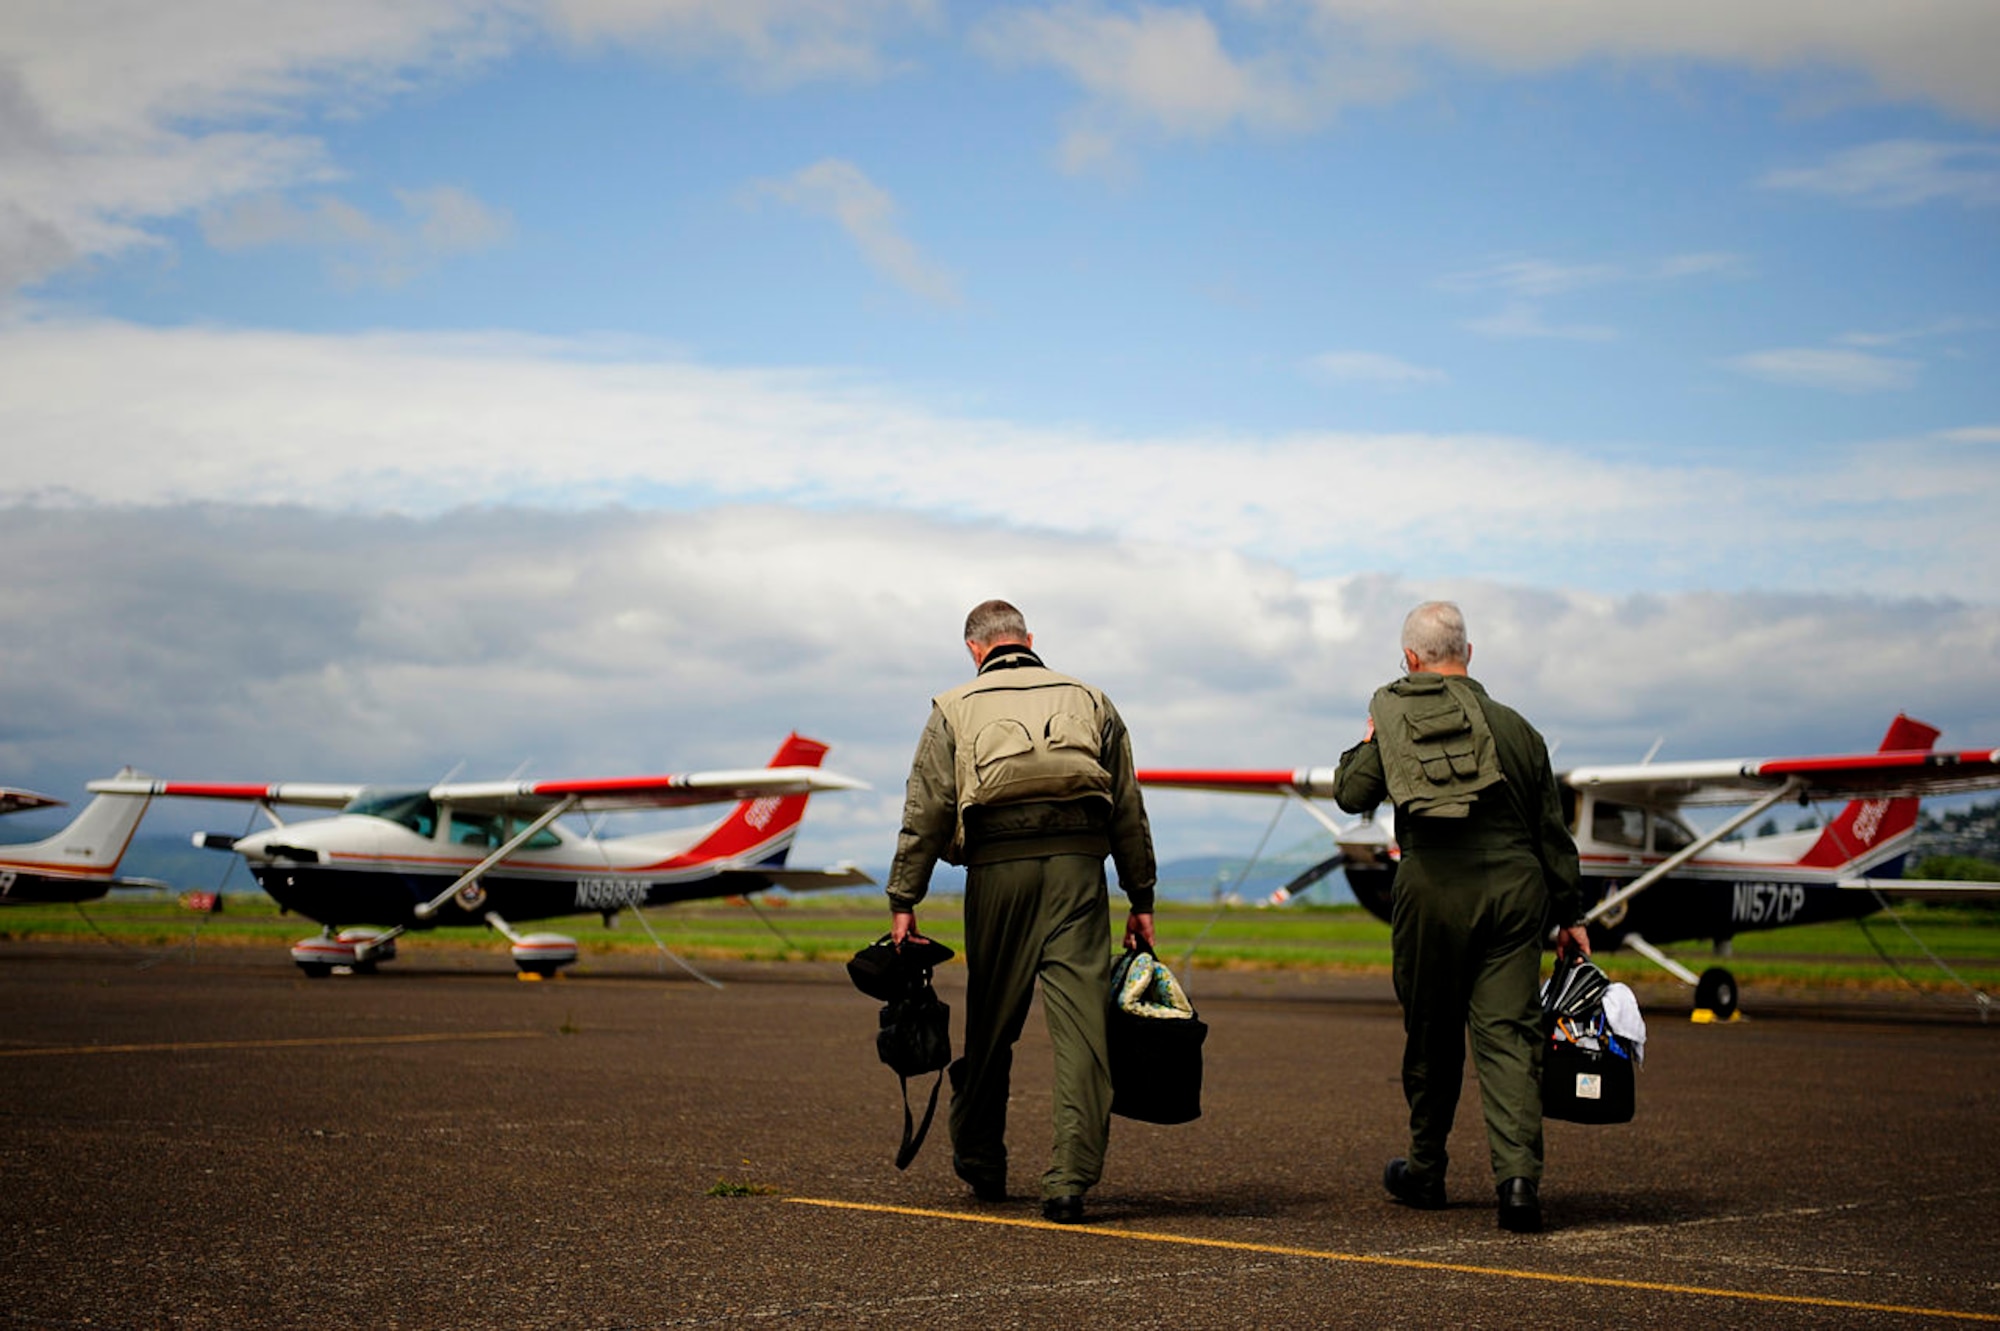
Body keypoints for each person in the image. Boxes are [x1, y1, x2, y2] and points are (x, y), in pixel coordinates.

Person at [886, 599, 1158, 1224]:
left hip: (996, 872)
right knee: (1084, 1031)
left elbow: (925, 811)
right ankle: (1069, 1180)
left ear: (974, 650)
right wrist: (1140, 896)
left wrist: (904, 898)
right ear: (1029, 639)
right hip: (1078, 872)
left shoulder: (953, 707)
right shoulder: (1090, 698)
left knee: (992, 1021)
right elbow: (1127, 809)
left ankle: (982, 1159)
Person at [1333, 601, 1589, 1234]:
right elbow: (1552, 833)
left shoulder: (1395, 717)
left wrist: (1373, 736)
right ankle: (1519, 1183)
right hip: (1515, 895)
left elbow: (1351, 794)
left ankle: (1426, 1170)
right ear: (1468, 655)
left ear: (1410, 660)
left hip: (1433, 893)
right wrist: (1571, 915)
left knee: (1432, 1034)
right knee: (1510, 1037)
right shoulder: (1520, 730)